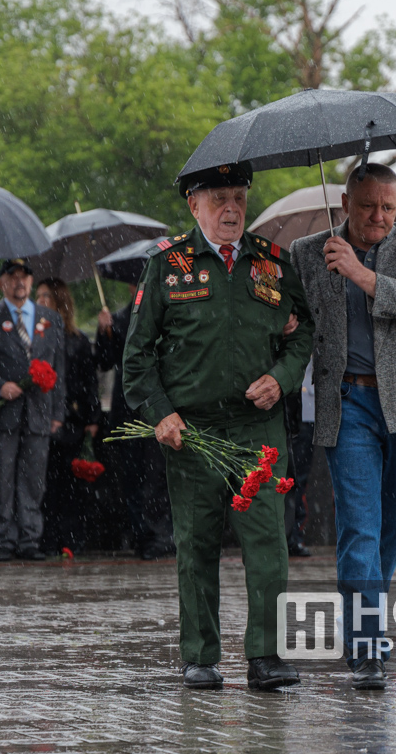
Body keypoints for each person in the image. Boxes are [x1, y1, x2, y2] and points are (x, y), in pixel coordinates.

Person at [124, 162, 314, 691]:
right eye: (219, 200)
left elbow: (304, 333)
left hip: (257, 431)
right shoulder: (167, 265)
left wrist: (282, 378)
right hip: (194, 432)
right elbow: (136, 357)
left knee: (268, 543)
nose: (232, 209)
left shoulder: (272, 263)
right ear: (194, 205)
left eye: (239, 197)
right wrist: (160, 412)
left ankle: (266, 655)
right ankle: (201, 655)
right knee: (196, 544)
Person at [290, 163, 396, 690]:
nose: (380, 216)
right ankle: (367, 649)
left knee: (395, 527)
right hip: (348, 403)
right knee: (359, 527)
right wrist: (287, 325)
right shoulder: (308, 253)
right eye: (368, 206)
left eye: (388, 207)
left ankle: (363, 614)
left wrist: (361, 274)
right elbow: (295, 323)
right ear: (345, 203)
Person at [0, 259, 66, 561]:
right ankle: (2, 540)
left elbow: (59, 368)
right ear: (1, 282)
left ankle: (30, 540)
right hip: (3, 413)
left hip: (39, 413)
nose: (19, 282)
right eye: (12, 276)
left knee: (33, 481)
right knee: (0, 480)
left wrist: (57, 412)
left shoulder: (50, 318)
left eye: (24, 277)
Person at [96, 290, 174, 560]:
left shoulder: (167, 312)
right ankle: (142, 535)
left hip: (160, 407)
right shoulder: (118, 319)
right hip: (128, 410)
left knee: (158, 476)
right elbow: (105, 360)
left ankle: (162, 535)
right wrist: (104, 332)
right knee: (133, 476)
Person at [35, 277, 102, 555]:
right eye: (38, 296)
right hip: (43, 417)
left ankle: (71, 539)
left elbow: (90, 382)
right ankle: (47, 539)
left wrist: (93, 419)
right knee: (45, 483)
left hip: (73, 420)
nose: (40, 302)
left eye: (46, 297)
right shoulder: (37, 336)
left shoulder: (78, 340)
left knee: (72, 484)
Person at [282, 359, 315, 558]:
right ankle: (289, 534)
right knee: (291, 478)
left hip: (310, 408)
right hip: (290, 407)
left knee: (299, 479)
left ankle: (294, 534)